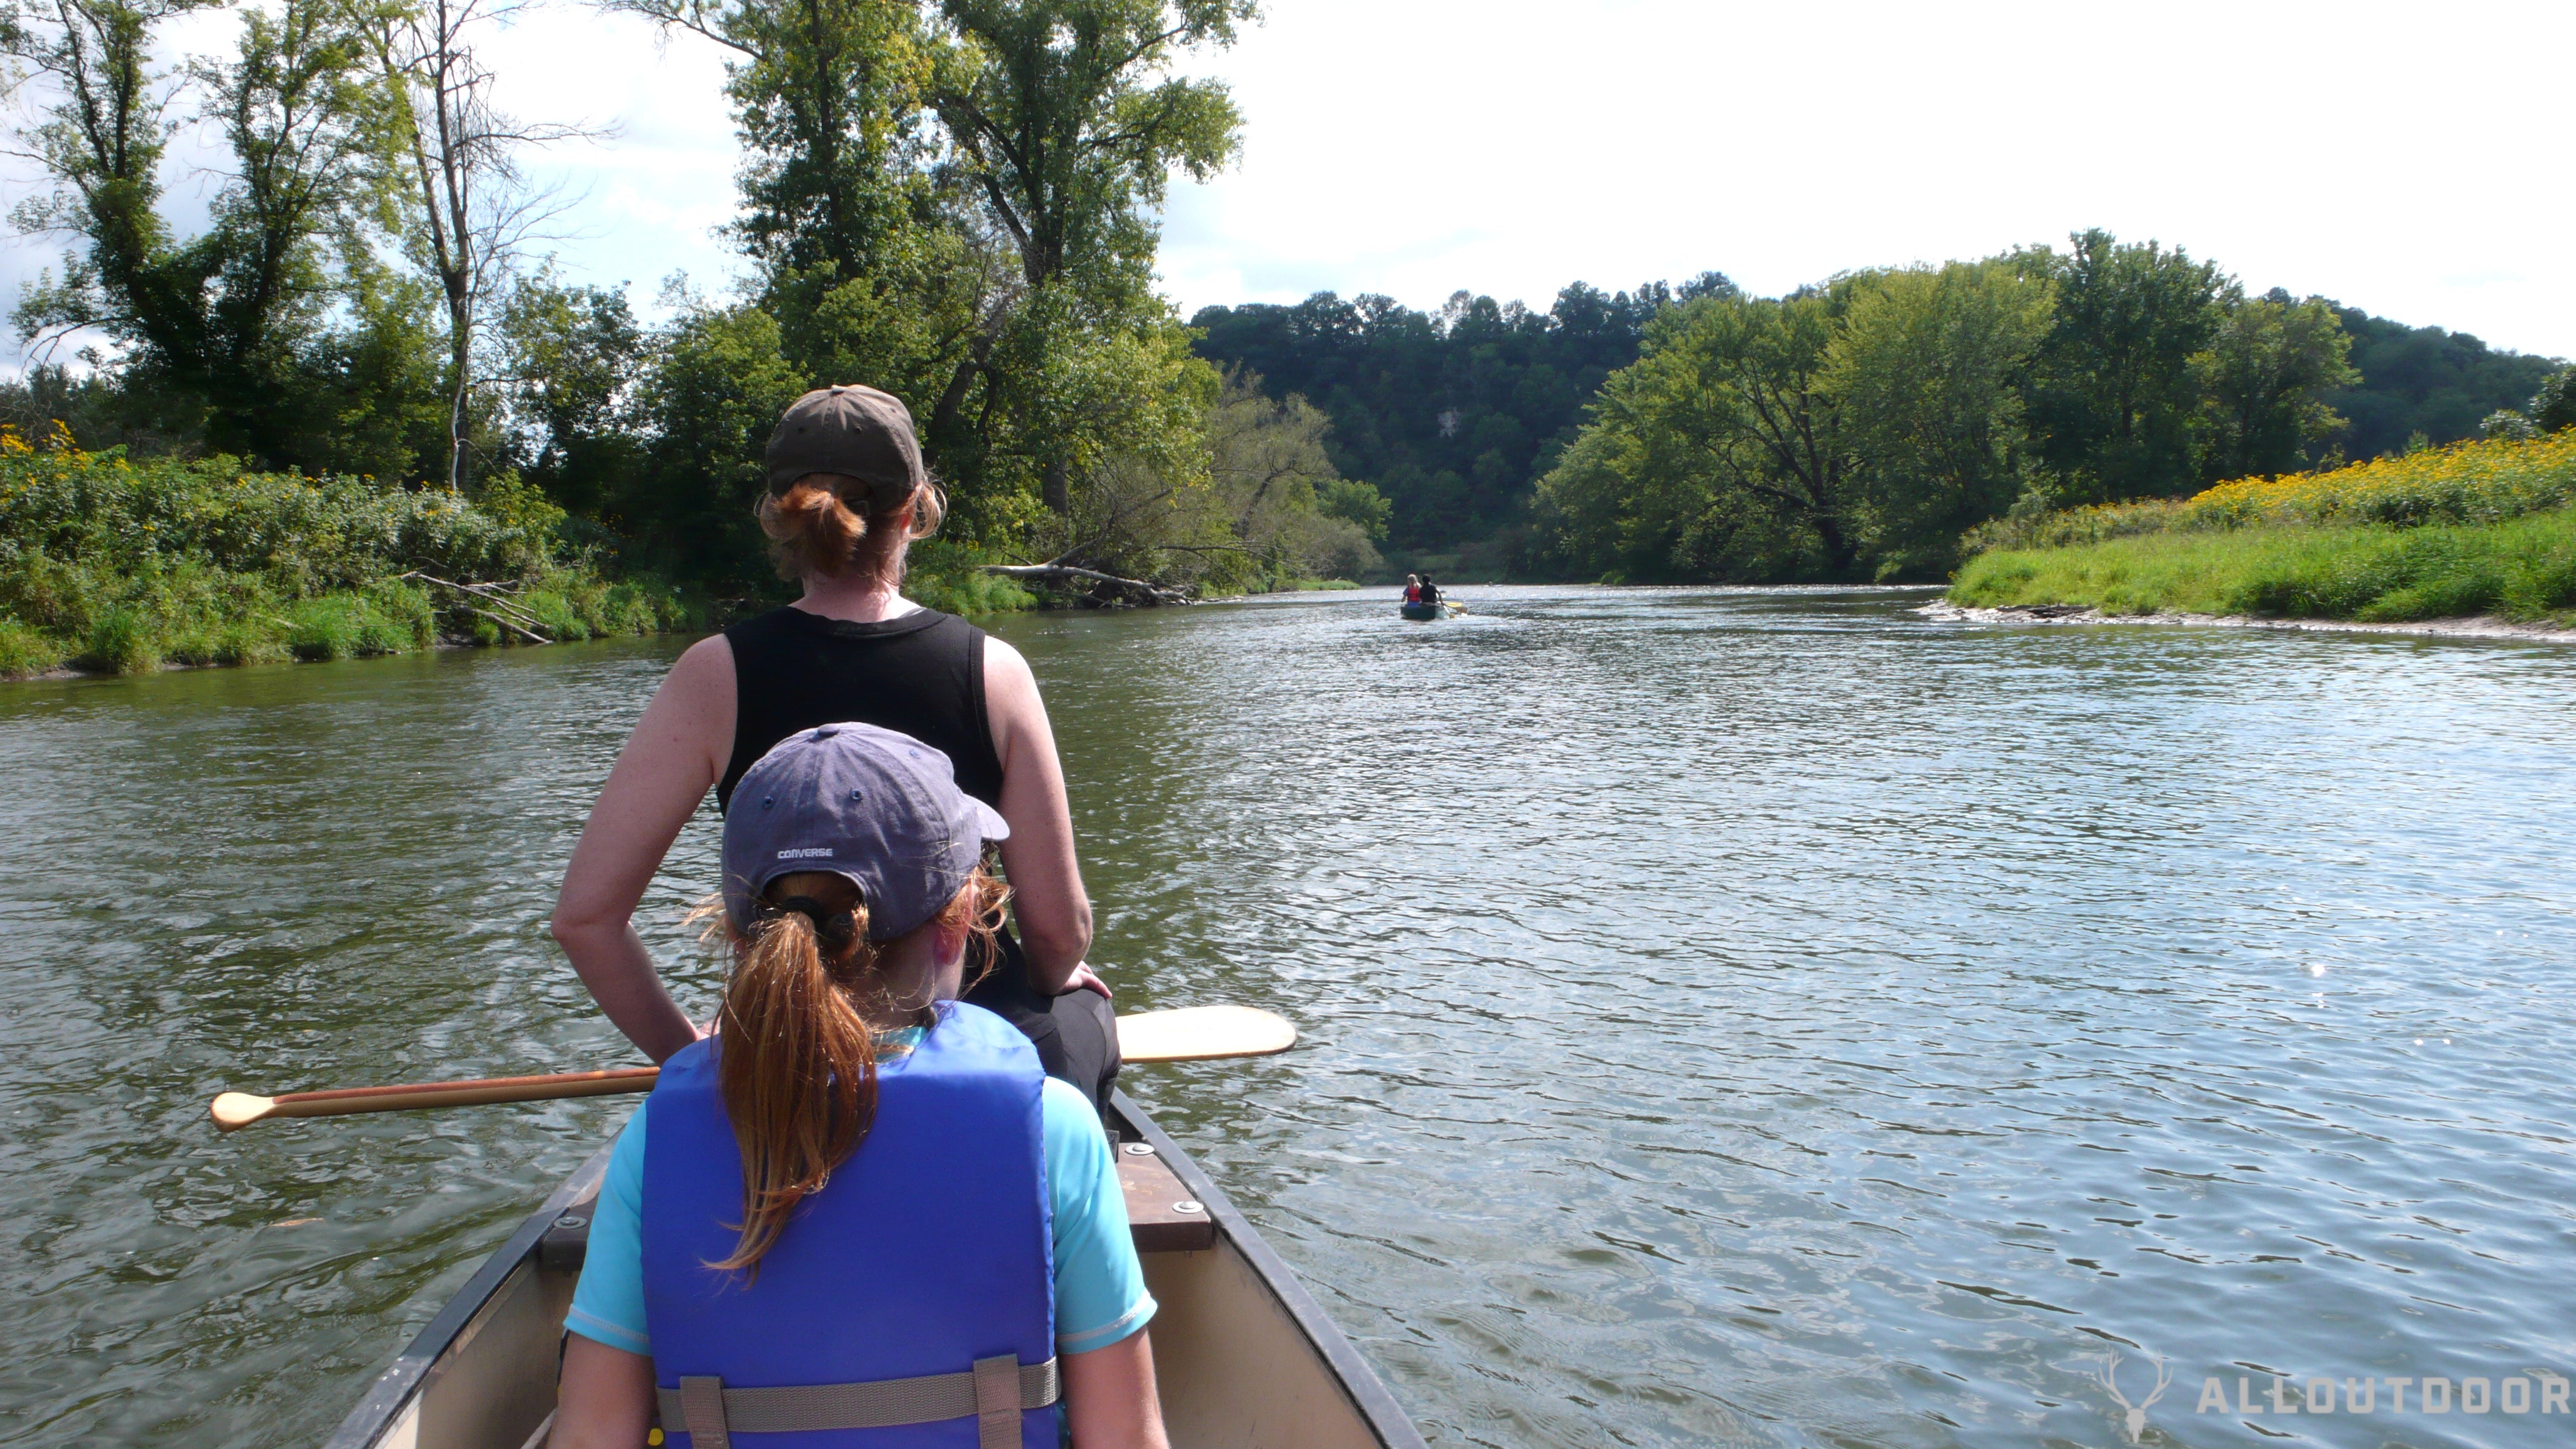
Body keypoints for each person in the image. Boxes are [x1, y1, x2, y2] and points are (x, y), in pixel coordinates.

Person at [550, 723, 1168, 1449]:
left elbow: (591, 1435)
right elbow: (1125, 1436)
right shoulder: (1051, 1126)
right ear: (962, 920)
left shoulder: (657, 1142)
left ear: (746, 938)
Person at [552, 384, 1121, 1109]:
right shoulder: (993, 670)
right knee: (1085, 1013)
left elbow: (584, 920)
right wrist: (1055, 977)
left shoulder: (712, 673)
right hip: (973, 1033)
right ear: (913, 512)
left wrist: (696, 1062)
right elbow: (1059, 933)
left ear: (778, 518)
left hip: (788, 1044)